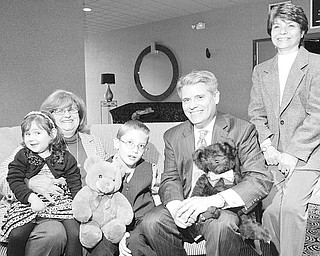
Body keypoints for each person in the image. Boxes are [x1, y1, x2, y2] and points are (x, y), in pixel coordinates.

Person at [129, 70, 273, 256]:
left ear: (216, 97)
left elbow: (260, 179)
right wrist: (175, 208)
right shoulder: (173, 136)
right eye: (186, 100)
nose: (192, 106)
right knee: (153, 221)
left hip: (224, 209)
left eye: (199, 97)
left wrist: (213, 201)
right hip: (186, 207)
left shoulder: (241, 130)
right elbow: (170, 179)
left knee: (221, 226)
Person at [248, 3, 320, 256]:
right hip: (273, 157)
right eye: (276, 26)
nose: (282, 31)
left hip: (306, 155)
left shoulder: (316, 64)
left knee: (290, 210)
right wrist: (267, 146)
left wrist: (292, 153)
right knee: (269, 214)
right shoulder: (261, 70)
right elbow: (256, 114)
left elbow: (317, 115)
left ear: (302, 32)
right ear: (270, 31)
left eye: (290, 25)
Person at [0, 89, 107, 256]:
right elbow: (4, 177)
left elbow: (107, 176)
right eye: (59, 110)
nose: (68, 115)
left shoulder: (93, 142)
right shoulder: (32, 145)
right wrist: (30, 183)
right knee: (53, 232)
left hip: (79, 208)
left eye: (72, 109)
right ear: (48, 117)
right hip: (37, 208)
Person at [2, 111, 82, 256]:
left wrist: (79, 204)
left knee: (75, 233)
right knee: (17, 235)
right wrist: (31, 197)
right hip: (28, 203)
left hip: (61, 202)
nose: (31, 138)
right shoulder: (22, 155)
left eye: (37, 133)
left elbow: (74, 182)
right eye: (27, 134)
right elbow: (14, 179)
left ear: (52, 134)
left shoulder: (65, 156)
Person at [87, 119, 157, 256]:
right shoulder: (103, 170)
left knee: (136, 244)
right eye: (130, 143)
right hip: (109, 225)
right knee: (102, 247)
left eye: (141, 146)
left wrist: (131, 233)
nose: (135, 150)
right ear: (117, 143)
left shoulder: (150, 169)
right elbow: (97, 208)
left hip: (141, 227)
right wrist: (119, 233)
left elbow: (157, 203)